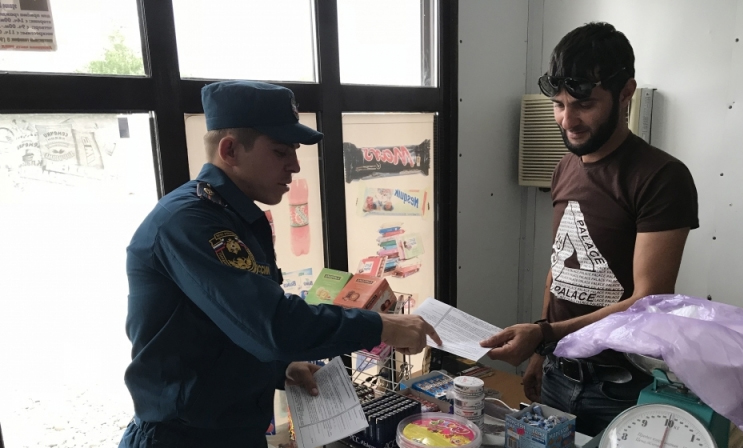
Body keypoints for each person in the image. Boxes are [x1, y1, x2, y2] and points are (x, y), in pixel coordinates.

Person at [118, 80, 441, 448]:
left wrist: (280, 368)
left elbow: (224, 327)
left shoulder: (234, 218)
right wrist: (382, 326)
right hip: (182, 438)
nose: (295, 166)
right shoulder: (190, 223)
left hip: (233, 431)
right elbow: (271, 324)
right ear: (230, 150)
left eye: (295, 152)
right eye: (280, 151)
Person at [480, 22, 699, 435]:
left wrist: (543, 334)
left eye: (583, 104)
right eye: (559, 104)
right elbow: (559, 269)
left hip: (620, 387)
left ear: (626, 93)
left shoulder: (662, 177)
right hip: (558, 370)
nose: (568, 120)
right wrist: (542, 352)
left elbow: (648, 300)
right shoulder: (565, 167)